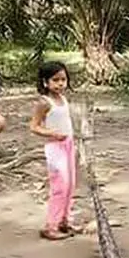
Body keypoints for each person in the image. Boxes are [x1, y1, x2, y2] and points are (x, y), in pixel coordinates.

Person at [30, 61, 79, 241]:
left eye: (63, 80)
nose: (60, 84)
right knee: (60, 185)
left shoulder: (63, 99)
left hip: (68, 144)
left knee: (71, 184)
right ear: (45, 82)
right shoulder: (44, 102)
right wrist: (51, 133)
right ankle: (50, 225)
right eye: (55, 80)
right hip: (55, 147)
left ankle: (65, 220)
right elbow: (34, 127)